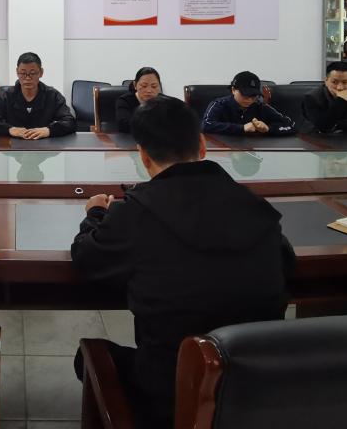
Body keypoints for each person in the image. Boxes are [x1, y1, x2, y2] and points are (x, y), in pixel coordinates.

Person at [70, 96, 294, 429]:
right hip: (254, 391)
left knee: (87, 358)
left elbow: (86, 258)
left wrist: (96, 215)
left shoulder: (135, 212)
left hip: (169, 395)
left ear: (143, 157)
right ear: (202, 145)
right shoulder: (254, 206)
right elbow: (286, 264)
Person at [0, 52, 76, 139]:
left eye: (32, 73)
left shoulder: (53, 95)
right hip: (13, 145)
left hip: (44, 145)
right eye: (23, 73)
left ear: (41, 72)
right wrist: (9, 130)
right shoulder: (6, 96)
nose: (27, 78)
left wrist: (49, 130)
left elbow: (70, 122)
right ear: (17, 72)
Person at [201, 70, 296, 136]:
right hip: (224, 150)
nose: (249, 100)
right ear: (233, 90)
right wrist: (241, 128)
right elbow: (205, 125)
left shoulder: (260, 106)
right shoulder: (219, 104)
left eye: (253, 96)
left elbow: (291, 125)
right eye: (245, 95)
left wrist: (269, 128)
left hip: (254, 149)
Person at [114, 67, 163, 134]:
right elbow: (124, 125)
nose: (149, 90)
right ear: (135, 85)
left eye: (154, 86)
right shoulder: (124, 101)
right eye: (144, 86)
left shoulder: (164, 102)